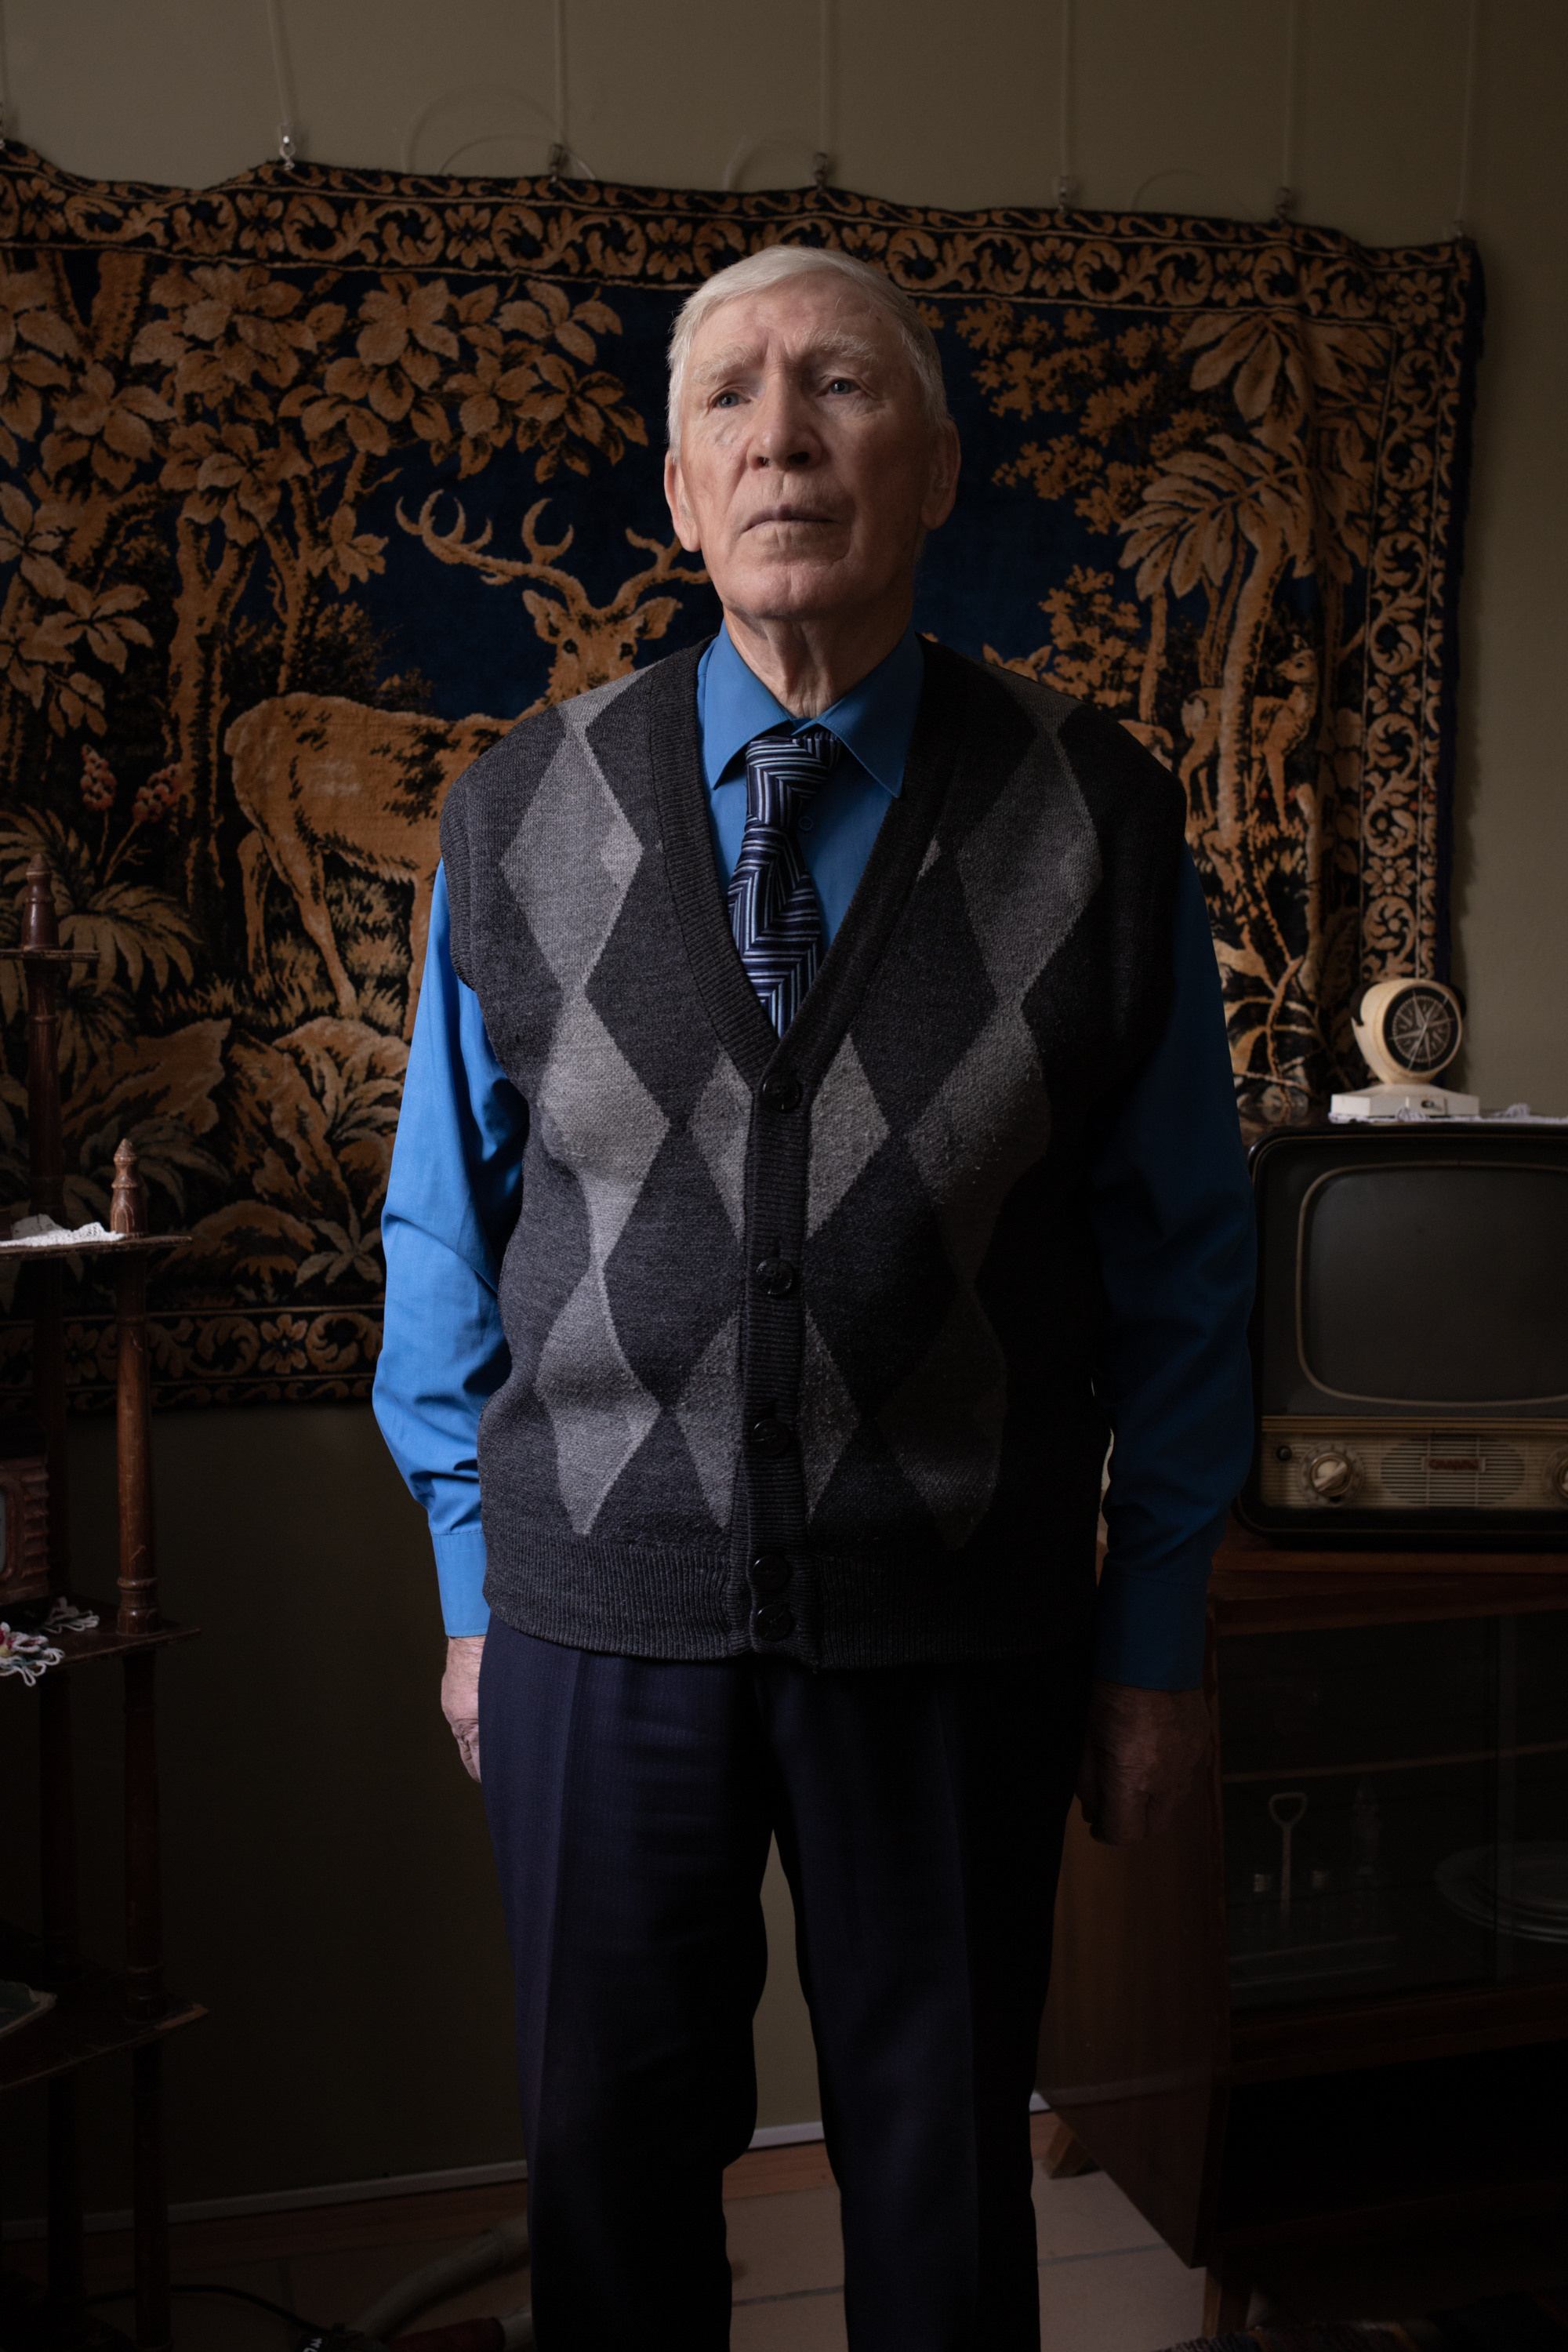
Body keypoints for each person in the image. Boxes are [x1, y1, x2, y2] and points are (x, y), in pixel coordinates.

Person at [373, 244, 1254, 2352]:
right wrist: (473, 1583)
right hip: (595, 1619)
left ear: (934, 468)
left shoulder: (1100, 815)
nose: (785, 435)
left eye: (843, 388)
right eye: (735, 400)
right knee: (611, 2182)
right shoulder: (517, 814)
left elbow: (1189, 1261)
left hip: (961, 1629)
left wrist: (1152, 1645)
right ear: (679, 490)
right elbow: (440, 1228)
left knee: (945, 2188)